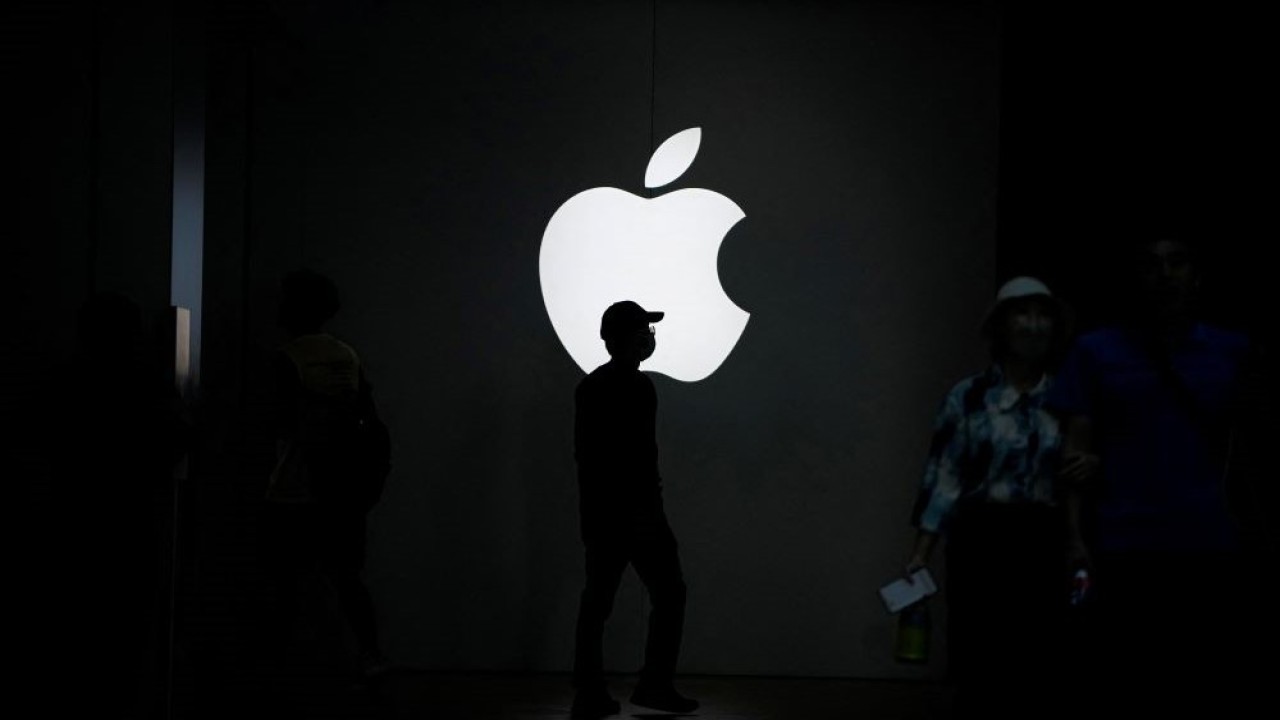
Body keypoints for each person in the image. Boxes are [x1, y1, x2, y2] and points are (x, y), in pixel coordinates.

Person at [1048, 234, 1258, 715]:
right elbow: (1072, 453)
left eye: (1177, 263)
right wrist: (1074, 541)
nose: (1165, 275)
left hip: (1207, 540)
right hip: (1123, 543)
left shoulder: (1231, 351)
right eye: (1152, 265)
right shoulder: (1096, 351)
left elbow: (1249, 448)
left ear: (1197, 275)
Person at [904, 277, 1081, 719]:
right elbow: (944, 477)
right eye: (1022, 313)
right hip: (981, 537)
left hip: (1042, 538)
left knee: (1039, 662)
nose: (1033, 325)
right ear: (1000, 325)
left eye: (1043, 315)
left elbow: (1076, 477)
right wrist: (921, 554)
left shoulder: (1067, 399)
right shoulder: (968, 398)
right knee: (979, 660)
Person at [260, 269, 389, 683]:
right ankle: (371, 656)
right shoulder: (346, 355)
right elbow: (368, 417)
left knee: (285, 585)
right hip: (343, 489)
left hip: (293, 487)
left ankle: (276, 669)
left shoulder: (288, 357)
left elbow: (275, 424)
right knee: (348, 578)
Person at [570, 301, 698, 719]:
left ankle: (592, 692)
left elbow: (588, 460)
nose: (650, 337)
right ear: (625, 337)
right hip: (635, 513)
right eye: (644, 330)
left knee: (598, 603)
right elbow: (634, 458)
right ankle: (652, 685)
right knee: (666, 593)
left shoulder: (593, 387)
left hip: (606, 515)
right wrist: (647, 510)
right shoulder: (634, 387)